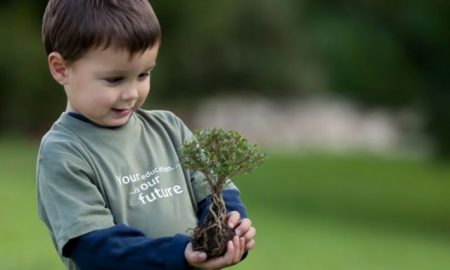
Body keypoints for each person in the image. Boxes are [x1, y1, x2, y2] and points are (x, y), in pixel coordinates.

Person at [36, 1, 256, 269]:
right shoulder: (64, 151)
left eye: (143, 74)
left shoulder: (169, 128)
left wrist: (232, 227)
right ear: (61, 68)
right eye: (115, 79)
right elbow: (97, 248)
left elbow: (214, 193)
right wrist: (180, 254)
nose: (131, 93)